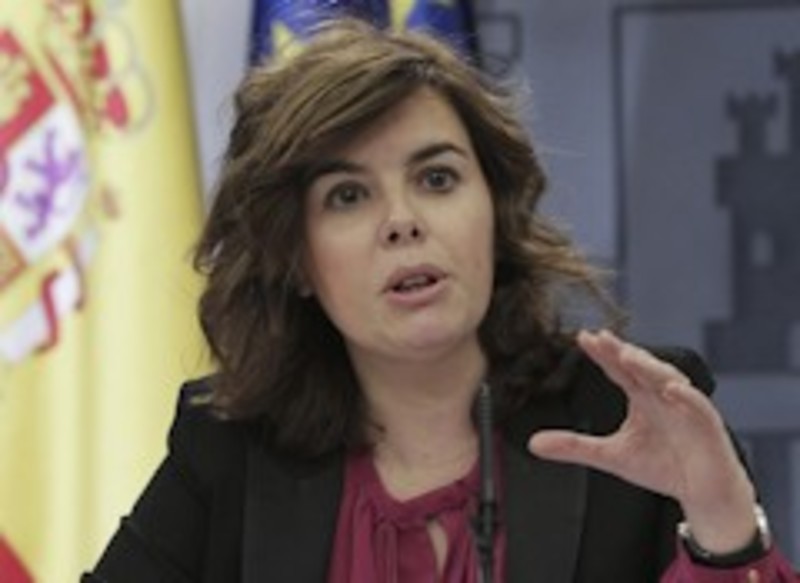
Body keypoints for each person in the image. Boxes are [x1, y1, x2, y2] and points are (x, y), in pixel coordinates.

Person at [83, 18, 797, 583]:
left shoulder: (628, 415)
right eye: (348, 196)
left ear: (496, 212)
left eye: (437, 179)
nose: (403, 220)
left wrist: (725, 530)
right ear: (296, 258)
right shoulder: (230, 449)